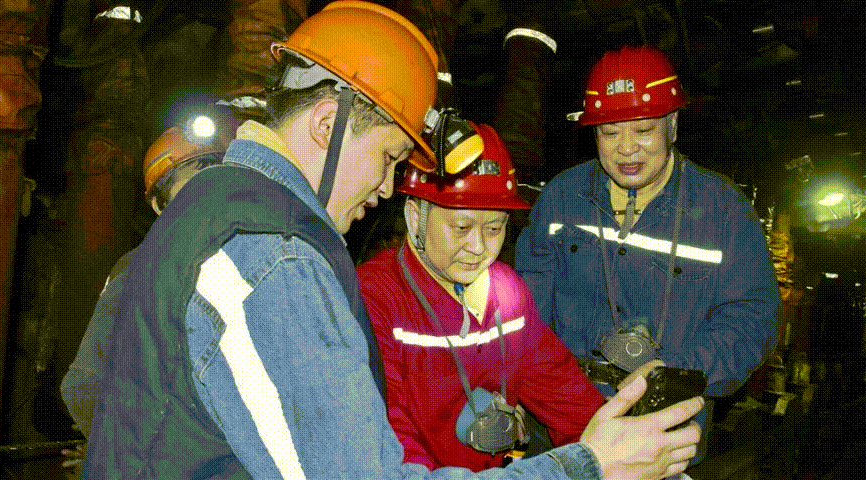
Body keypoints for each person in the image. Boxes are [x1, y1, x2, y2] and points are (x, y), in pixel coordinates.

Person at [80, 5, 703, 478]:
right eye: (387, 156)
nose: (385, 187)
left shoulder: (215, 212)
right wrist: (588, 467)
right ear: (328, 124)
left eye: (494, 227)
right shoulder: (270, 260)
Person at [515, 45, 781, 466]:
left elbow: (753, 318)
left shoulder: (723, 210)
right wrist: (513, 388)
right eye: (609, 133)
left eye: (642, 130)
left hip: (660, 441)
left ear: (672, 125)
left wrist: (674, 371)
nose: (626, 149)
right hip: (560, 433)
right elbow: (525, 312)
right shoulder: (562, 197)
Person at [358, 123, 606, 471]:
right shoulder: (375, 296)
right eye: (462, 228)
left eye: (494, 228)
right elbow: (389, 435)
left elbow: (564, 392)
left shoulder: (508, 293)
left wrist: (613, 451)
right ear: (415, 216)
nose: (478, 247)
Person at [58, 123, 225, 469]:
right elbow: (84, 384)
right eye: (192, 186)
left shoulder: (246, 261)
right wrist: (116, 451)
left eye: (216, 181)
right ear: (161, 206)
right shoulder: (140, 270)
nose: (208, 196)